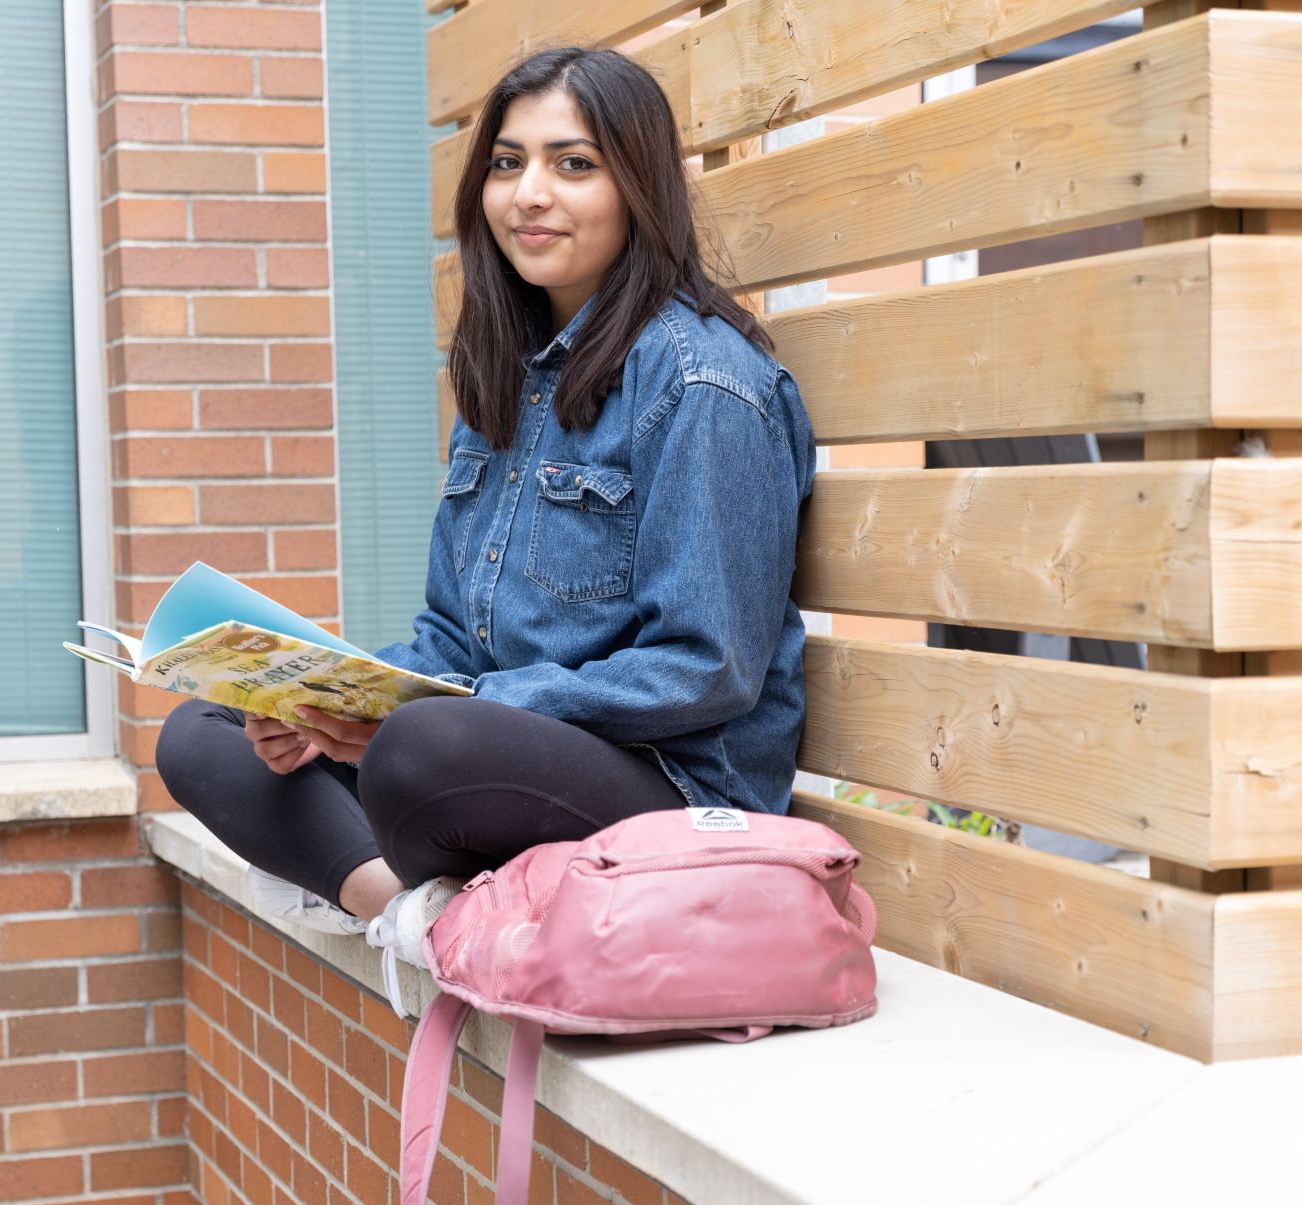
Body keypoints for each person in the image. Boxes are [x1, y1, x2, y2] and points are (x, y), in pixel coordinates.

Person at [154, 46, 815, 939]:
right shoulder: (508, 382)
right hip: (498, 754)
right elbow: (451, 637)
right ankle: (403, 911)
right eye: (509, 163)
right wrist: (327, 704)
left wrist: (453, 712)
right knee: (209, 730)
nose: (528, 193)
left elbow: (707, 667)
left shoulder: (703, 385)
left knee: (423, 751)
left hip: (674, 786)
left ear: (639, 186)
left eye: (572, 164)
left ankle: (433, 890)